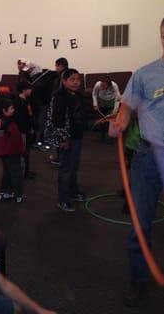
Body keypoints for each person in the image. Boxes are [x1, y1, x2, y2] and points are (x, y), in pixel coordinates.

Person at [115, 16, 164, 308]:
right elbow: (127, 109)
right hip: (148, 157)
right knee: (140, 223)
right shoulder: (145, 74)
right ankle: (139, 282)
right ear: (160, 36)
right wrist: (119, 124)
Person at [51, 69, 86, 212]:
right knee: (65, 168)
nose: (76, 82)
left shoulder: (77, 95)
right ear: (64, 81)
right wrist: (63, 139)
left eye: (78, 79)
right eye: (72, 79)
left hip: (77, 136)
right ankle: (63, 199)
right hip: (67, 138)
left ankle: (72, 191)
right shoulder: (59, 96)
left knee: (74, 166)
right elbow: (57, 119)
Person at [0, 99, 25, 203]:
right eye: (11, 108)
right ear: (4, 110)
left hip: (4, 153)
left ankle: (4, 193)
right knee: (16, 173)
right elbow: (16, 140)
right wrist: (21, 150)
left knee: (7, 173)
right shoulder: (11, 123)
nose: (13, 110)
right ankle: (18, 195)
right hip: (13, 152)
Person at [49, 58, 69, 165]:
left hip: (60, 107)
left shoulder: (63, 76)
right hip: (60, 106)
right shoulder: (63, 75)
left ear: (61, 66)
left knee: (59, 132)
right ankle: (61, 157)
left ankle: (60, 158)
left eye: (56, 66)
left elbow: (60, 91)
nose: (55, 68)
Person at [14, 82, 35, 179]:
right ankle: (22, 173)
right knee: (23, 152)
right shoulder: (18, 102)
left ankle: (26, 171)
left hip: (27, 130)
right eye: (29, 89)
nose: (31, 90)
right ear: (24, 90)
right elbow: (19, 119)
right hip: (22, 131)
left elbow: (29, 115)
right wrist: (26, 129)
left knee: (27, 151)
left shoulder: (26, 100)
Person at [92, 75, 121, 141]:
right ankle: (103, 136)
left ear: (109, 85)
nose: (102, 87)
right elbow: (94, 93)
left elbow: (118, 97)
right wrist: (95, 104)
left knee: (109, 120)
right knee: (102, 120)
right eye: (101, 85)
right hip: (102, 101)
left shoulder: (114, 85)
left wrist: (115, 110)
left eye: (104, 86)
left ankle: (110, 136)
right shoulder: (98, 84)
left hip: (111, 101)